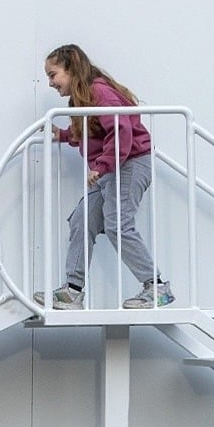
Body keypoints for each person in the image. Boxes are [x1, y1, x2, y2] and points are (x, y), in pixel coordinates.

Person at [34, 44, 174, 310]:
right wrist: (62, 136)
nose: (50, 83)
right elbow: (93, 133)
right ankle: (72, 292)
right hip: (111, 169)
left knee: (118, 224)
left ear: (71, 69)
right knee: (82, 218)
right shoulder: (81, 98)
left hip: (130, 164)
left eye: (53, 75)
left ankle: (157, 288)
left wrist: (103, 165)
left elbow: (122, 130)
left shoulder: (99, 91)